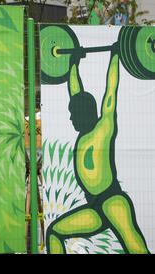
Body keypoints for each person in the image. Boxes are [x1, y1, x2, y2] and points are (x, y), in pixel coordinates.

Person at [45, 42, 149, 253]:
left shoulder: (104, 127)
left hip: (113, 202)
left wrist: (115, 56)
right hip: (94, 206)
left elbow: (111, 91)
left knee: (137, 250)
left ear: (83, 114)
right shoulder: (83, 133)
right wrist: (74, 62)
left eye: (73, 115)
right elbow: (75, 92)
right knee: (54, 232)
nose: (71, 118)